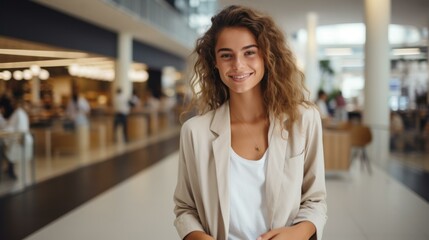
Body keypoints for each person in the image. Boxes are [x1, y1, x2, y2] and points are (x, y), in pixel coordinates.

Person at [174, 5, 327, 240]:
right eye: (226, 55)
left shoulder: (304, 120)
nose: (237, 65)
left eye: (249, 52)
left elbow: (315, 199)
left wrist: (298, 233)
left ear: (267, 54)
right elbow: (185, 209)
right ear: (215, 62)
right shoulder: (195, 132)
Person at [0, 93, 33, 180]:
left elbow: (10, 127)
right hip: (21, 138)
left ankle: (9, 170)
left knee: (6, 150)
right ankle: (9, 169)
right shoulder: (21, 113)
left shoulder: (18, 113)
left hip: (17, 139)